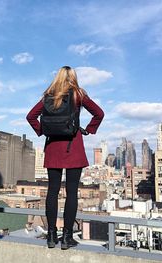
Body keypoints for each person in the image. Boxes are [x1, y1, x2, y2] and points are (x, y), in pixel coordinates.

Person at [26, 66, 104, 250]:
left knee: (52, 192)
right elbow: (99, 113)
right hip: (73, 146)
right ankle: (67, 238)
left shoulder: (48, 95)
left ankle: (51, 235)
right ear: (73, 77)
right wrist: (89, 129)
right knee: (71, 193)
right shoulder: (78, 94)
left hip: (53, 147)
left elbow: (30, 116)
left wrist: (42, 131)